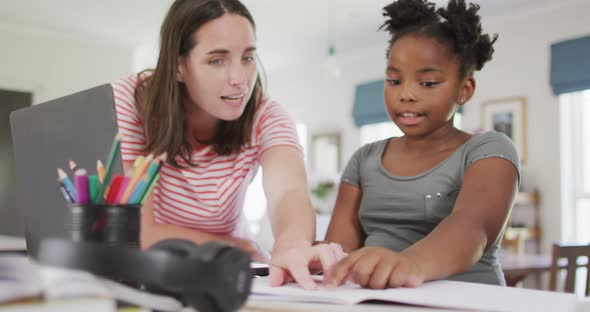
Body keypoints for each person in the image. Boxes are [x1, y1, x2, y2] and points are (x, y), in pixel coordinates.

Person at [112, 0, 343, 290]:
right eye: (217, 60)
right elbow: (139, 232)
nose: (240, 80)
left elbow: (288, 192)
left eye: (247, 58)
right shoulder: (132, 101)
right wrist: (233, 245)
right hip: (155, 271)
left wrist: (293, 244)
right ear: (179, 66)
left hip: (224, 271)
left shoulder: (266, 115)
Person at [323, 0, 520, 289]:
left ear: (464, 89)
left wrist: (411, 263)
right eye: (394, 80)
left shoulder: (489, 151)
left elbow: (472, 226)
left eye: (427, 83)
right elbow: (339, 254)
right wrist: (317, 257)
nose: (406, 94)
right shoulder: (364, 160)